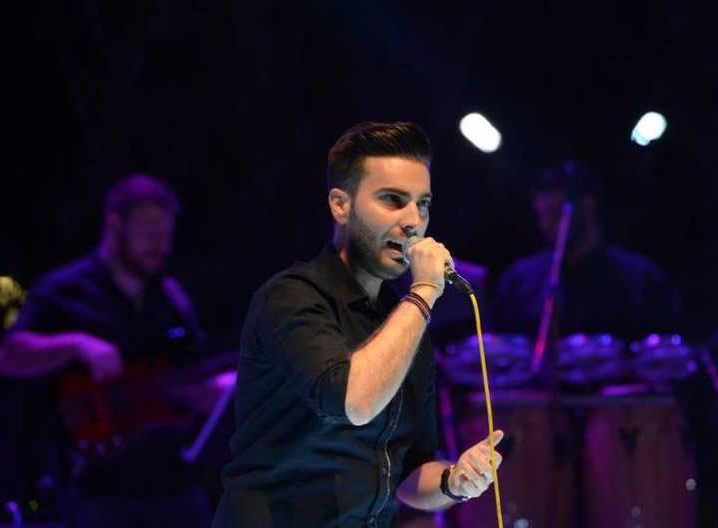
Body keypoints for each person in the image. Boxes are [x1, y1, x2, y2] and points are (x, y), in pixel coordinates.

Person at [214, 122, 503, 528]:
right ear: (340, 205)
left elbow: (407, 474)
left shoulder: (406, 320)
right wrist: (423, 292)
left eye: (422, 204)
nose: (413, 221)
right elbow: (355, 403)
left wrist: (454, 481)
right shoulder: (291, 298)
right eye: (393, 200)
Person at [0, 174, 211, 527]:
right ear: (115, 225)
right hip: (96, 487)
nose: (160, 244)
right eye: (149, 231)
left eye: (166, 234)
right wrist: (75, 344)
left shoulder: (172, 296)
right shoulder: (65, 290)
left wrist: (215, 392)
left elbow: (192, 375)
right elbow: (10, 355)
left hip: (173, 480)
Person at [493, 160, 685, 341]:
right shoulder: (520, 282)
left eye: (555, 214)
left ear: (588, 205)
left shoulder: (641, 279)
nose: (545, 225)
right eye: (541, 215)